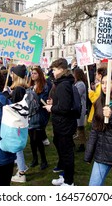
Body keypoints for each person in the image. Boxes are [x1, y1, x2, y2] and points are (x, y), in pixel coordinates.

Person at [43, 58, 77, 186]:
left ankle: (69, 182)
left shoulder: (63, 85)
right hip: (62, 124)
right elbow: (63, 103)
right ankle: (65, 177)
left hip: (65, 125)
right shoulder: (62, 83)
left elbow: (65, 108)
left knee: (67, 153)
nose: (53, 72)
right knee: (63, 152)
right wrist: (54, 103)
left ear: (62, 69)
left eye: (55, 69)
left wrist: (51, 108)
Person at [7, 64, 29, 183]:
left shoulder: (18, 89)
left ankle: (21, 172)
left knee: (17, 147)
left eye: (12, 73)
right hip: (21, 121)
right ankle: (21, 166)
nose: (10, 75)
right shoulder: (21, 88)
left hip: (17, 121)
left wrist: (7, 96)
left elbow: (15, 106)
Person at [28, 66, 49, 170]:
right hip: (30, 115)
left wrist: (33, 94)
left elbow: (42, 101)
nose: (33, 75)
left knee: (38, 139)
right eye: (32, 73)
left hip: (39, 115)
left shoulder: (44, 86)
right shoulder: (30, 86)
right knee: (32, 139)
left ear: (39, 74)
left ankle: (44, 160)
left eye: (35, 73)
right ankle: (35, 159)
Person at [73, 68, 87, 152]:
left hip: (80, 108)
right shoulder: (77, 83)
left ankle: (82, 144)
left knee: (80, 127)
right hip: (77, 107)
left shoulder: (80, 84)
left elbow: (76, 94)